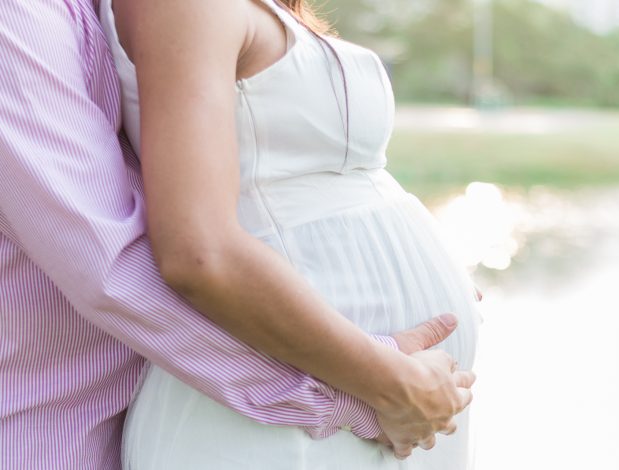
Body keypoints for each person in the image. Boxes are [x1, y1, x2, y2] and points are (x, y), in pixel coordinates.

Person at [0, 1, 478, 469]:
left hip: (342, 402)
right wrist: (372, 383)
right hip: (47, 431)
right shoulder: (19, 17)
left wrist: (404, 258)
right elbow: (121, 264)